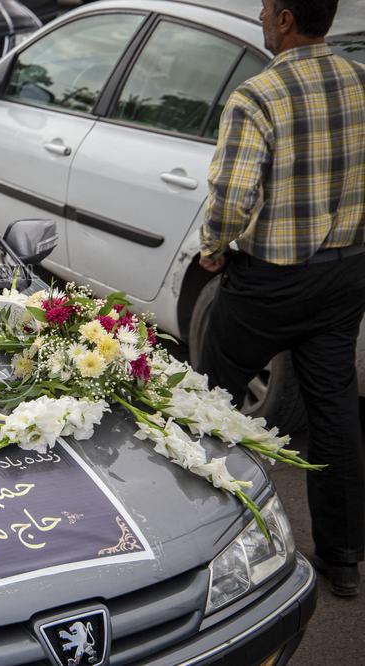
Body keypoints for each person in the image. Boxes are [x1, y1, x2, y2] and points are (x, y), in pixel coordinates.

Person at [198, 0, 365, 597]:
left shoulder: (258, 95)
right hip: (345, 272)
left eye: (267, 9)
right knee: (334, 410)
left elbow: (232, 195)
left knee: (208, 399)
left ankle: (205, 545)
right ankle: (343, 561)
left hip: (269, 280)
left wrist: (213, 246)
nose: (264, 18)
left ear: (287, 19)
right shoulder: (357, 80)